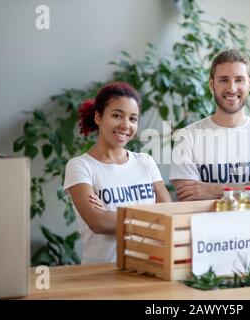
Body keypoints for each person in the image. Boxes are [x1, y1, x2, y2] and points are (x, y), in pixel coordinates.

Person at [170, 49, 250, 208]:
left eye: (239, 80)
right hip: (206, 232)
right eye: (224, 80)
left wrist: (214, 190)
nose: (232, 88)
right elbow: (189, 199)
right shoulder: (187, 137)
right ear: (211, 84)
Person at [64, 82, 171, 264]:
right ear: (98, 117)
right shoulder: (81, 166)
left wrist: (113, 215)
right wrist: (151, 216)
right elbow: (99, 223)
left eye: (133, 119)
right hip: (101, 273)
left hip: (149, 267)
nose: (125, 125)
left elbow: (168, 213)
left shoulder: (145, 162)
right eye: (117, 115)